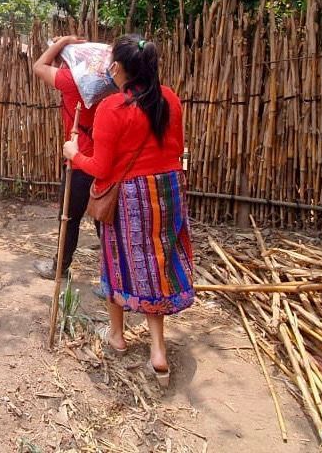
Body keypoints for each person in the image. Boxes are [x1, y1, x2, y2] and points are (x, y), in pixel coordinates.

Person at [63, 35, 194, 388]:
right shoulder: (169, 98)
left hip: (130, 198)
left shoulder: (111, 108)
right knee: (157, 265)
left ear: (117, 68)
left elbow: (101, 168)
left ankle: (117, 337)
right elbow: (178, 149)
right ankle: (158, 352)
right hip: (167, 192)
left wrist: (73, 152)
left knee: (117, 260)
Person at [31, 35, 104, 280]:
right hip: (107, 160)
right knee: (104, 220)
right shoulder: (109, 83)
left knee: (69, 217)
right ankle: (114, 277)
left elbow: (38, 66)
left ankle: (59, 267)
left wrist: (62, 43)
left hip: (79, 159)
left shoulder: (70, 80)